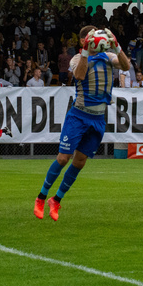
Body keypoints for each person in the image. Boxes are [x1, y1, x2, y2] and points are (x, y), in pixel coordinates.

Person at [34, 26, 129, 221]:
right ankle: (41, 197)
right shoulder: (77, 58)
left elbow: (126, 67)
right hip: (78, 115)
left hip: (98, 119)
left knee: (80, 162)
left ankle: (56, 200)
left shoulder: (108, 56)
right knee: (63, 158)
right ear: (84, 41)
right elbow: (78, 76)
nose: (95, 39)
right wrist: (86, 51)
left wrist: (117, 46)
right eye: (90, 37)